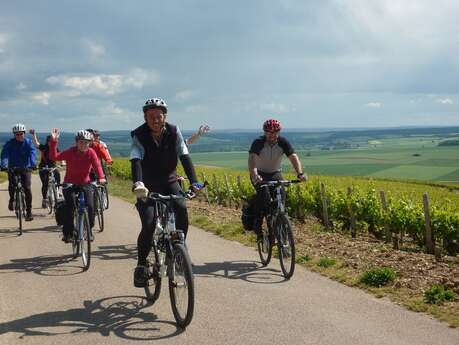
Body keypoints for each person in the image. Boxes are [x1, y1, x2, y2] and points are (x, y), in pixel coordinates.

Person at [130, 97, 202, 287]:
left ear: (165, 116)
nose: (155, 119)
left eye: (159, 116)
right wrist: (138, 183)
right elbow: (136, 160)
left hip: (170, 180)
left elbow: (184, 156)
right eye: (151, 116)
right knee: (149, 223)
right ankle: (141, 265)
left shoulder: (173, 131)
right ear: (145, 117)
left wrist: (194, 182)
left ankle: (179, 249)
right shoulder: (139, 135)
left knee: (181, 208)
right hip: (147, 185)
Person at [248, 119, 307, 240]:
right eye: (269, 133)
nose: (272, 135)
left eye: (275, 133)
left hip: (275, 173)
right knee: (263, 195)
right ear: (265, 132)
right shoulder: (258, 142)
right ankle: (257, 223)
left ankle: (281, 224)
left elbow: (293, 157)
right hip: (259, 174)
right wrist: (254, 174)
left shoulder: (282, 142)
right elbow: (252, 159)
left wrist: (300, 173)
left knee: (281, 195)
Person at [48, 129, 106, 242]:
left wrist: (101, 177)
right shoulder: (70, 151)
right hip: (69, 184)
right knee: (70, 207)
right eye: (81, 142)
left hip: (85, 183)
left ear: (89, 143)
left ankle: (88, 230)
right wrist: (54, 141)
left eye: (86, 142)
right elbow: (54, 157)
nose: (84, 144)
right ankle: (68, 234)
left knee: (90, 206)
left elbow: (97, 165)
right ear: (76, 142)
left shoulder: (91, 152)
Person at [0, 123, 36, 221]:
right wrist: (4, 165)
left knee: (27, 188)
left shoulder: (28, 143)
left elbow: (32, 153)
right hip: (13, 168)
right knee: (12, 185)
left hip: (26, 168)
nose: (19, 136)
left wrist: (33, 164)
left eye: (21, 134)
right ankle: (12, 200)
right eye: (17, 134)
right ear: (14, 135)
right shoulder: (10, 143)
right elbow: (5, 155)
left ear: (24, 133)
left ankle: (29, 211)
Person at [29, 129, 61, 208]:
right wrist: (34, 135)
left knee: (58, 176)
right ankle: (44, 199)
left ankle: (58, 190)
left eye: (52, 141)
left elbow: (61, 156)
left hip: (53, 167)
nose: (51, 143)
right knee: (45, 183)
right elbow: (36, 143)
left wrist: (63, 162)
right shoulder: (44, 147)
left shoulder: (55, 148)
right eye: (49, 141)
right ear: (47, 141)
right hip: (43, 167)